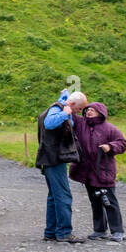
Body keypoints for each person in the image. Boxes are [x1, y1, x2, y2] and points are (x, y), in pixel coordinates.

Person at [69, 101, 126, 241]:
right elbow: (70, 113)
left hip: (104, 170)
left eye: (92, 110)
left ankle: (118, 231)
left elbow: (122, 143)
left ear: (100, 113)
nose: (88, 112)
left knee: (110, 202)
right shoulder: (80, 123)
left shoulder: (109, 128)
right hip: (86, 172)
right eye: (87, 110)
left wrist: (110, 146)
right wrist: (68, 100)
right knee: (95, 201)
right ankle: (99, 230)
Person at [38, 89, 85, 243]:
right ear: (72, 104)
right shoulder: (58, 110)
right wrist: (66, 113)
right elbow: (49, 123)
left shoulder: (59, 106)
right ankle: (64, 232)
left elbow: (64, 102)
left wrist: (65, 97)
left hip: (50, 159)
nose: (78, 113)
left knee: (54, 197)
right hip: (54, 159)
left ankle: (51, 232)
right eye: (78, 109)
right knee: (63, 196)